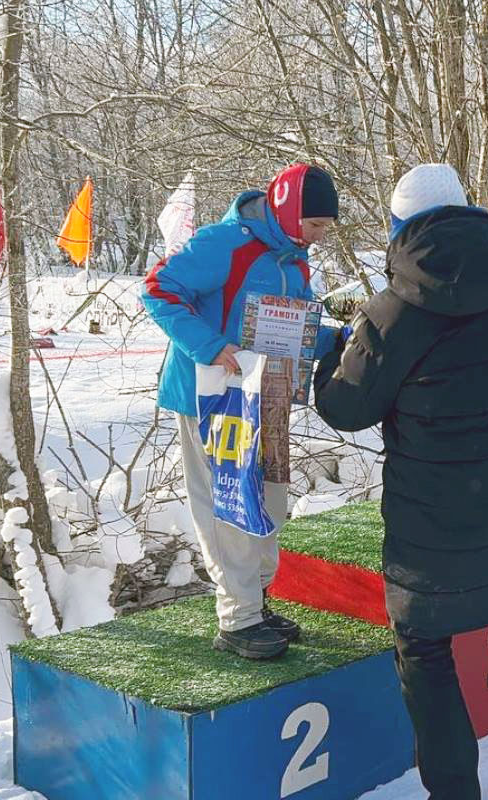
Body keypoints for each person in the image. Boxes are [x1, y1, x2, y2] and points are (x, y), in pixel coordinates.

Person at [313, 164, 488, 800]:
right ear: (467, 210)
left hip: (430, 536)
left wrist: (327, 357)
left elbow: (346, 408)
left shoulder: (391, 314)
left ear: (400, 228)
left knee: (427, 655)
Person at [142, 163, 338, 660]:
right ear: (289, 210)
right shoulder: (224, 243)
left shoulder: (294, 259)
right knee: (226, 503)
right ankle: (237, 619)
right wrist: (209, 347)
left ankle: (258, 601)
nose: (320, 235)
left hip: (266, 397)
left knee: (269, 500)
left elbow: (295, 329)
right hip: (211, 397)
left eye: (325, 227)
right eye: (316, 224)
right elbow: (159, 289)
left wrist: (342, 340)